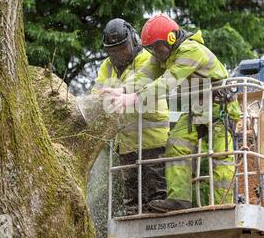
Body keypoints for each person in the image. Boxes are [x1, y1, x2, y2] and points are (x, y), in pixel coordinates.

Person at [106, 14, 241, 212]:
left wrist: (134, 99)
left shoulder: (191, 51)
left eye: (158, 49)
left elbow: (166, 83)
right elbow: (145, 75)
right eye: (151, 50)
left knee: (221, 157)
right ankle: (179, 200)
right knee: (176, 144)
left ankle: (224, 206)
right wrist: (123, 91)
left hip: (221, 107)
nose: (156, 54)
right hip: (199, 107)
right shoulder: (163, 55)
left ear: (171, 39)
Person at [93, 18, 169, 214]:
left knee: (155, 198)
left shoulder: (147, 59)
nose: (119, 55)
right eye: (114, 51)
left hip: (153, 141)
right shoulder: (106, 67)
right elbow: (97, 93)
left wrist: (116, 92)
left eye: (123, 49)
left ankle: (158, 236)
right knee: (133, 203)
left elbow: (140, 82)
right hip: (126, 145)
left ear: (134, 41)